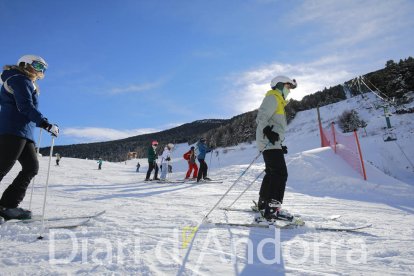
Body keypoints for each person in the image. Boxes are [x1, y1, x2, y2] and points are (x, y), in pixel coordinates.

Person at [0, 55, 59, 220]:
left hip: (24, 132)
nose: (40, 71)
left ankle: (7, 205)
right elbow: (25, 106)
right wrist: (45, 124)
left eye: (43, 68)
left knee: (31, 167)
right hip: (12, 130)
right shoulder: (19, 79)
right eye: (37, 65)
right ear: (24, 64)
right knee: (2, 167)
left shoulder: (24, 81)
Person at [255, 75, 297, 222]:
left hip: (271, 142)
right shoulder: (273, 98)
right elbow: (261, 117)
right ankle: (272, 209)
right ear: (280, 85)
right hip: (268, 141)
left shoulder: (278, 101)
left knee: (272, 173)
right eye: (288, 87)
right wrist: (267, 131)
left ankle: (263, 203)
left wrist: (279, 144)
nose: (289, 91)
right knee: (280, 173)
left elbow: (275, 125)